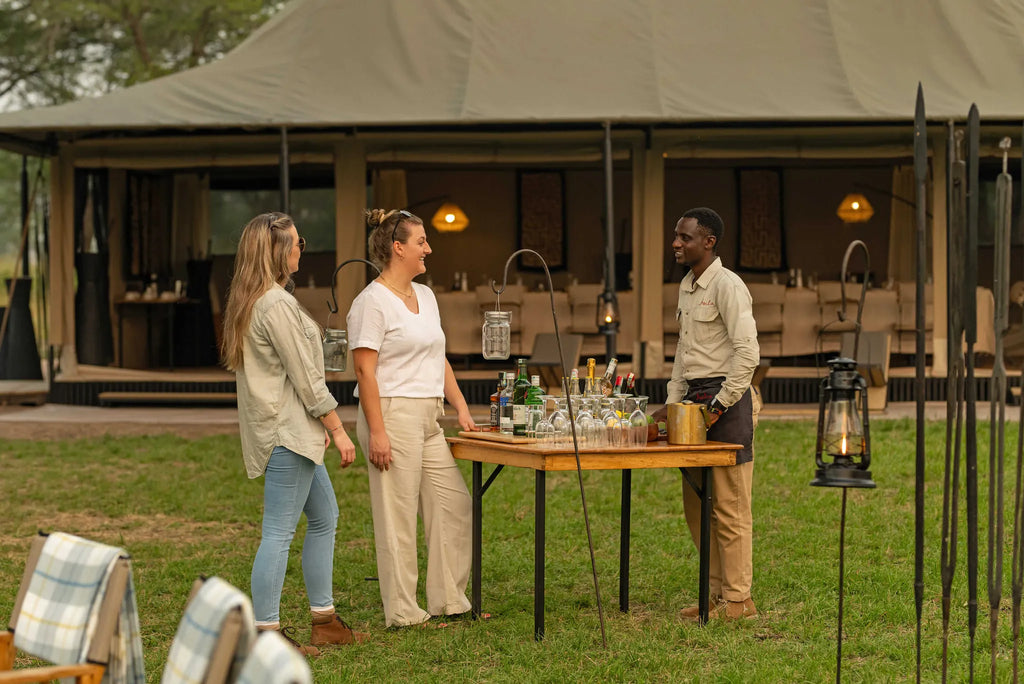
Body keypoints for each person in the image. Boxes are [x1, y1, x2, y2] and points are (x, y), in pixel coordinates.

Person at [221, 211, 368, 656]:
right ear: (277, 251)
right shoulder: (275, 304)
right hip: (286, 434)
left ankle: (324, 620)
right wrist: (338, 430)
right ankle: (265, 634)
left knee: (325, 517)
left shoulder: (256, 300)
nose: (302, 247)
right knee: (278, 533)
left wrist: (314, 427)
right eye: (297, 241)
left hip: (290, 431)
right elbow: (306, 378)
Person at [348, 208, 476, 628]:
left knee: (453, 502)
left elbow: (437, 358)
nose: (429, 248)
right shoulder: (371, 302)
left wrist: (459, 405)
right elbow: (365, 370)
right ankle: (403, 611)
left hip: (428, 417)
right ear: (398, 248)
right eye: (421, 241)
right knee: (397, 515)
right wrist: (378, 433)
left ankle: (448, 600)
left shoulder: (426, 296)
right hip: (390, 412)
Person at [652, 207, 761, 621]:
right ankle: (714, 594)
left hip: (725, 401)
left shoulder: (729, 286)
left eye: (685, 237)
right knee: (697, 504)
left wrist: (719, 405)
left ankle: (739, 601)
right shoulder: (687, 286)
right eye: (676, 236)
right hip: (693, 402)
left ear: (709, 241)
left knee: (730, 506)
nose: (676, 243)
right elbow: (683, 353)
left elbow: (747, 352)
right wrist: (674, 401)